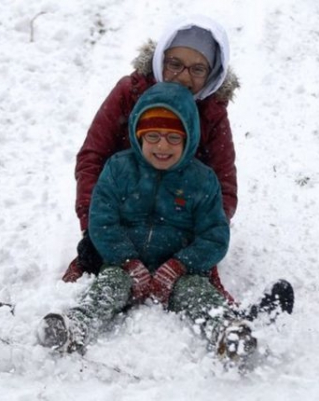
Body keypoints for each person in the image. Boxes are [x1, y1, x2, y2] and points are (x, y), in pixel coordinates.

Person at [37, 83, 257, 367]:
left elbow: (214, 235)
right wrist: (126, 260)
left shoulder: (202, 181)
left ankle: (227, 332)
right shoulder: (118, 169)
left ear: (189, 138)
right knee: (108, 286)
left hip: (180, 272)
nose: (162, 146)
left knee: (198, 295)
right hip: (124, 266)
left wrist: (180, 265)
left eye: (173, 138)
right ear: (138, 135)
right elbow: (102, 221)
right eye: (153, 136)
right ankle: (75, 326)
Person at [63, 15, 239, 303]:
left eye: (197, 69)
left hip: (180, 221)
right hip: (125, 212)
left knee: (198, 290)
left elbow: (224, 182)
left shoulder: (212, 111)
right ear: (160, 59)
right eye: (175, 64)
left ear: (212, 73)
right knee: (93, 281)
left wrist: (201, 239)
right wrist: (92, 226)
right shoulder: (130, 92)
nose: (184, 77)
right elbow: (92, 157)